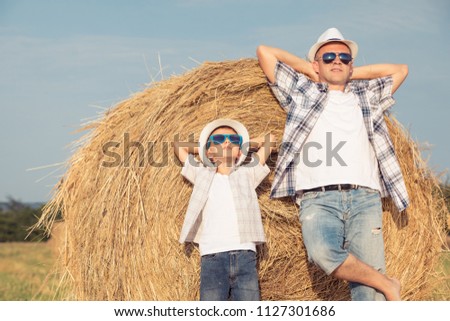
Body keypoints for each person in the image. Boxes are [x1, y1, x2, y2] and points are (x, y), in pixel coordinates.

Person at [256, 27, 409, 301]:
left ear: (352, 64)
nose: (336, 61)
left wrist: (350, 73)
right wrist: (308, 69)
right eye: (328, 58)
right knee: (322, 253)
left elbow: (400, 70)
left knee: (366, 292)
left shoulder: (366, 95)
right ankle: (387, 284)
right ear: (317, 63)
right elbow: (265, 53)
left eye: (343, 58)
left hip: (365, 196)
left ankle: (379, 285)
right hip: (317, 196)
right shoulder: (303, 92)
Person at [174, 118, 276, 301]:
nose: (227, 142)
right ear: (210, 153)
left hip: (245, 254)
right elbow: (178, 145)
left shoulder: (247, 174)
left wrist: (244, 144)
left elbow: (270, 140)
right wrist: (206, 148)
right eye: (220, 139)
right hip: (212, 256)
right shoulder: (202, 175)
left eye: (233, 140)